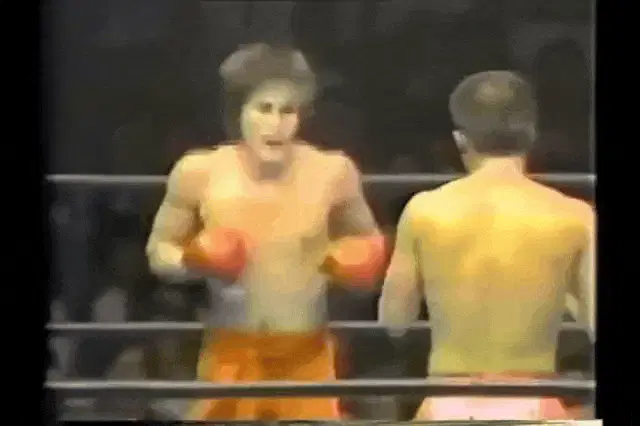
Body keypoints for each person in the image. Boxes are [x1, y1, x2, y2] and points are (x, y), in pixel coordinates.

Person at [145, 43, 386, 421]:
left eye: (287, 111)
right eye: (264, 108)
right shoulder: (199, 172)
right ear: (238, 112)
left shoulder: (333, 172)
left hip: (306, 355)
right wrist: (193, 261)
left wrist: (354, 263)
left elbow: (369, 246)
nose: (276, 123)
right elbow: (159, 250)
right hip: (231, 350)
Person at [379, 71, 595, 420]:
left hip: (447, 401)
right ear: (532, 135)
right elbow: (592, 320)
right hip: (533, 400)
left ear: (460, 139)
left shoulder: (424, 210)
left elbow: (394, 320)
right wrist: (559, 291)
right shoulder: (574, 215)